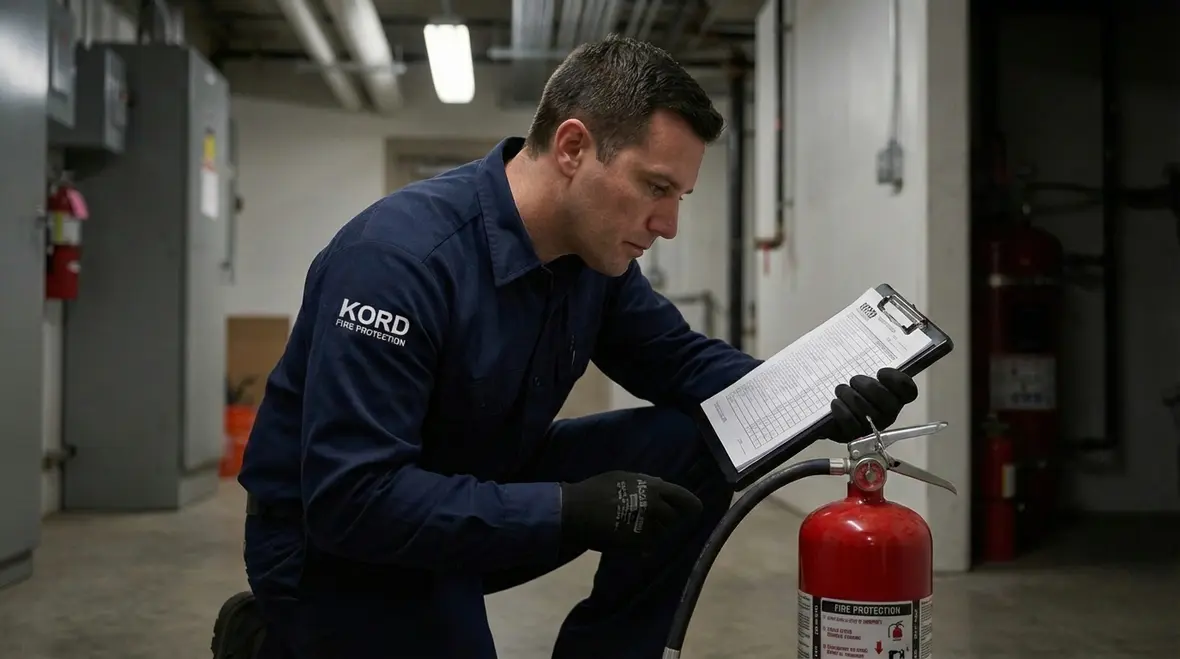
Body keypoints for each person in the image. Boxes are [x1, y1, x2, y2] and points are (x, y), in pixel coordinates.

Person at [210, 35, 918, 659]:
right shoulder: (398, 261)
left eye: (681, 198)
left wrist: (820, 398)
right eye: (655, 187)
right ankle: (278, 640)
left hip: (474, 494)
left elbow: (686, 365)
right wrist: (565, 508)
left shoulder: (593, 262)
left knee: (697, 440)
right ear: (574, 147)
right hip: (337, 547)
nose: (667, 223)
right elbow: (351, 498)